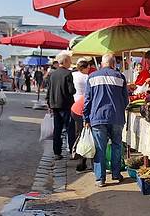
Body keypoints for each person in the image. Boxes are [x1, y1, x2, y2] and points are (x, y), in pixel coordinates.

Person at [83, 53, 129, 187]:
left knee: (100, 148)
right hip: (116, 117)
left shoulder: (92, 77)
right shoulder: (120, 77)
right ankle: (116, 174)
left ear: (102, 64)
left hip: (97, 117)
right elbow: (125, 99)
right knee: (117, 145)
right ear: (114, 64)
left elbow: (87, 100)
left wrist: (86, 117)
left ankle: (100, 178)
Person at [46, 51, 76, 160]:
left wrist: (48, 103)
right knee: (70, 129)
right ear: (66, 62)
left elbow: (49, 90)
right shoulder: (68, 74)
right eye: (70, 61)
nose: (71, 63)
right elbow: (71, 90)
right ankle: (72, 151)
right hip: (66, 105)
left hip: (55, 105)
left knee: (57, 130)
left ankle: (57, 152)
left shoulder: (53, 74)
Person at [71, 58, 91, 170]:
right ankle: (80, 159)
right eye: (88, 67)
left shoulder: (73, 75)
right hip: (81, 107)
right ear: (84, 68)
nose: (89, 69)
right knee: (83, 135)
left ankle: (78, 156)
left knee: (79, 133)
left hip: (76, 103)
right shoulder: (87, 78)